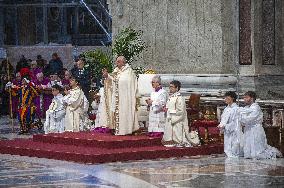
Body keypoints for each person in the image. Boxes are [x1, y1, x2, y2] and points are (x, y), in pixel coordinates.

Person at [239, 91, 282, 159]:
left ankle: (274, 153)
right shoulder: (246, 108)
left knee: (258, 151)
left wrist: (241, 118)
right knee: (248, 151)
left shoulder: (256, 107)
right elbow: (242, 119)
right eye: (244, 97)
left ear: (252, 98)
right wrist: (241, 119)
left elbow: (249, 118)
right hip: (248, 129)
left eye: (246, 97)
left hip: (255, 129)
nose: (244, 99)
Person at [102, 56, 139, 135]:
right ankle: (117, 129)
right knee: (117, 112)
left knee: (125, 113)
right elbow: (112, 80)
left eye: (118, 61)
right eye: (116, 61)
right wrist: (107, 76)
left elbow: (128, 83)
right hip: (117, 97)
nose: (117, 63)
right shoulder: (116, 71)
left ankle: (126, 130)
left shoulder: (129, 72)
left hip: (126, 98)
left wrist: (118, 81)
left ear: (123, 62)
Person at [162, 80, 192, 147]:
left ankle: (178, 141)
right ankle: (170, 140)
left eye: (172, 87)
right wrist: (166, 109)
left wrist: (169, 111)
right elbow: (169, 107)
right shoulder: (171, 97)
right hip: (170, 119)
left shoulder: (180, 98)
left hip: (176, 120)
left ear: (177, 88)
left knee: (177, 137)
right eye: (169, 87)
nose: (170, 88)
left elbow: (181, 111)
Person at [218, 91, 243, 158]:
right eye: (225, 97)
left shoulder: (236, 109)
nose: (225, 99)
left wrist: (225, 126)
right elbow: (223, 119)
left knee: (234, 149)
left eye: (227, 97)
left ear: (232, 98)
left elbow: (235, 122)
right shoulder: (226, 109)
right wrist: (221, 125)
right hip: (227, 131)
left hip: (234, 132)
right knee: (228, 148)